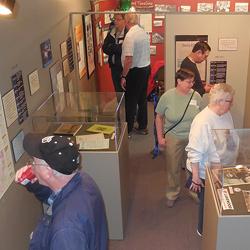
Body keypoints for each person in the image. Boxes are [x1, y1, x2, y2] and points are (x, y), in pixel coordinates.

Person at [15, 133, 108, 250]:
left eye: (33, 162)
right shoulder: (83, 180)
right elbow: (59, 198)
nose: (31, 166)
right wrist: (35, 183)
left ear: (48, 172)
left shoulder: (65, 231)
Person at [185, 83, 235, 236]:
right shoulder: (202, 121)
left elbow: (229, 135)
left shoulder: (226, 114)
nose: (232, 104)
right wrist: (195, 178)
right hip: (203, 170)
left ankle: (216, 226)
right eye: (230, 101)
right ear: (220, 101)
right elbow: (195, 152)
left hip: (220, 167)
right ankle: (204, 231)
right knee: (207, 204)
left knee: (218, 201)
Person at [155, 68, 202, 208]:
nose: (191, 85)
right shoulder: (167, 96)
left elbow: (203, 116)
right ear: (179, 81)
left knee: (193, 168)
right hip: (173, 137)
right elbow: (158, 117)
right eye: (188, 82)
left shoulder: (196, 96)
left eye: (193, 82)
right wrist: (160, 138)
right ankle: (172, 193)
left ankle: (194, 192)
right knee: (173, 168)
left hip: (193, 138)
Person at [120, 13, 151, 136]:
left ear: (127, 21)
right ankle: (143, 126)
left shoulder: (130, 36)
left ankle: (128, 130)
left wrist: (123, 76)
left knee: (130, 101)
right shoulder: (142, 32)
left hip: (135, 71)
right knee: (142, 99)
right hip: (145, 68)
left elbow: (128, 59)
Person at [102, 13, 128, 92]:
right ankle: (121, 104)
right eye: (115, 19)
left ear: (125, 21)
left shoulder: (128, 33)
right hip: (114, 68)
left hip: (124, 68)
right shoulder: (112, 32)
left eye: (118, 20)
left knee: (127, 91)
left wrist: (112, 47)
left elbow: (124, 50)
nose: (116, 22)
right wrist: (117, 47)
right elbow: (105, 48)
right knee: (118, 91)